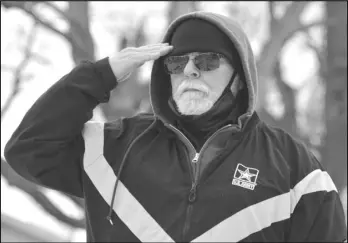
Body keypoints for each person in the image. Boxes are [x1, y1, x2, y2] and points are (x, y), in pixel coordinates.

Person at [4, 11, 347, 242]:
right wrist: (101, 74)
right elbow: (28, 149)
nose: (190, 72)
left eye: (208, 61)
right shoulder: (111, 148)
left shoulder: (295, 169)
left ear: (240, 78)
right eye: (178, 62)